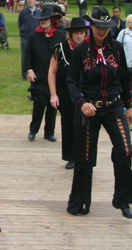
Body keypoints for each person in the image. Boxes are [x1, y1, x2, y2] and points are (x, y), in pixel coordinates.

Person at [66, 6, 132, 218]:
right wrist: (81, 102)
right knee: (84, 156)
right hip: (89, 108)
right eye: (99, 27)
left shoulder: (117, 49)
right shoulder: (81, 50)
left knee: (125, 149)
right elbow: (71, 81)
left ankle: (123, 198)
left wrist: (129, 105)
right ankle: (80, 200)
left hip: (114, 107)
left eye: (106, 27)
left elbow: (123, 78)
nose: (102, 31)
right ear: (92, 26)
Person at [48, 17, 88, 169]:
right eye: (76, 33)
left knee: (85, 126)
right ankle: (71, 156)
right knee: (69, 124)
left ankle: (84, 156)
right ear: (71, 34)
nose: (79, 36)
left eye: (82, 33)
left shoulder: (89, 49)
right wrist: (53, 94)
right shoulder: (61, 48)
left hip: (84, 93)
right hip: (65, 94)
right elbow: (52, 72)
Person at [25, 6, 67, 142]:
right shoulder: (34, 35)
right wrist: (29, 69)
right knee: (40, 102)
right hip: (39, 76)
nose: (42, 21)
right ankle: (33, 130)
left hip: (55, 77)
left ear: (52, 20)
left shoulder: (60, 36)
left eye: (45, 19)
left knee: (52, 104)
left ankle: (49, 132)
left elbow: (66, 55)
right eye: (41, 19)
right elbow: (27, 54)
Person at [18, 0, 41, 80]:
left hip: (36, 37)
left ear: (35, 1)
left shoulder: (38, 12)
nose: (30, 1)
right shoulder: (23, 12)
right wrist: (23, 31)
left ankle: (35, 71)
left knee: (36, 54)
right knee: (25, 54)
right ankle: (24, 72)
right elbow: (20, 23)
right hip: (25, 36)